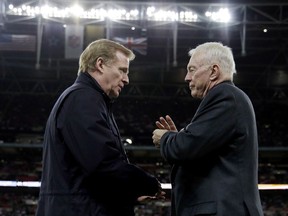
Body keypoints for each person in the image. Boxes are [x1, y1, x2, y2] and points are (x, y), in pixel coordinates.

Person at [36, 39, 164, 216]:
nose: (126, 79)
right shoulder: (83, 99)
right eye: (122, 70)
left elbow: (90, 175)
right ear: (100, 64)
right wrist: (147, 183)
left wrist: (128, 194)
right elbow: (103, 164)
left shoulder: (88, 98)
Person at [152, 42, 264, 216]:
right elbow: (197, 150)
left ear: (213, 72)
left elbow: (185, 147)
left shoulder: (225, 96)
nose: (186, 77)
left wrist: (166, 138)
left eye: (192, 69)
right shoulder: (228, 98)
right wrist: (175, 138)